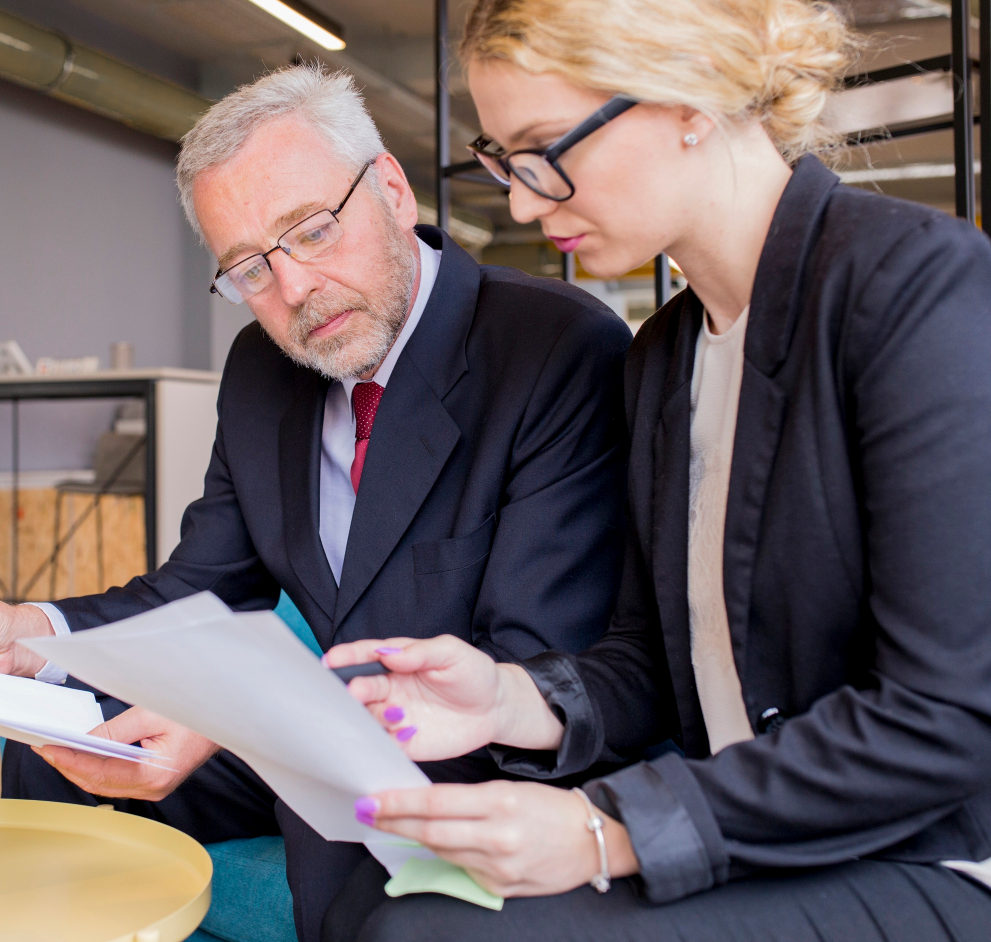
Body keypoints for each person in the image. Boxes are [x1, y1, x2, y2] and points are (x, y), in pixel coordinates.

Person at [318, 0, 991, 939]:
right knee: (405, 906)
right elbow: (652, 660)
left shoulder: (909, 289)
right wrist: (506, 701)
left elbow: (947, 721)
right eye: (504, 159)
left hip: (930, 853)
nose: (518, 201)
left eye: (548, 148)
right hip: (757, 835)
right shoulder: (661, 357)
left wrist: (605, 827)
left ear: (689, 95)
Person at [0, 63, 633, 941]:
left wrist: (230, 722)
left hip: (469, 757)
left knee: (352, 896)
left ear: (391, 189)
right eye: (249, 270)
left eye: (312, 231)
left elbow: (530, 663)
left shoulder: (553, 348)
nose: (292, 290)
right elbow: (206, 587)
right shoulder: (266, 371)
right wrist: (34, 637)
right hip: (314, 737)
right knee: (32, 767)